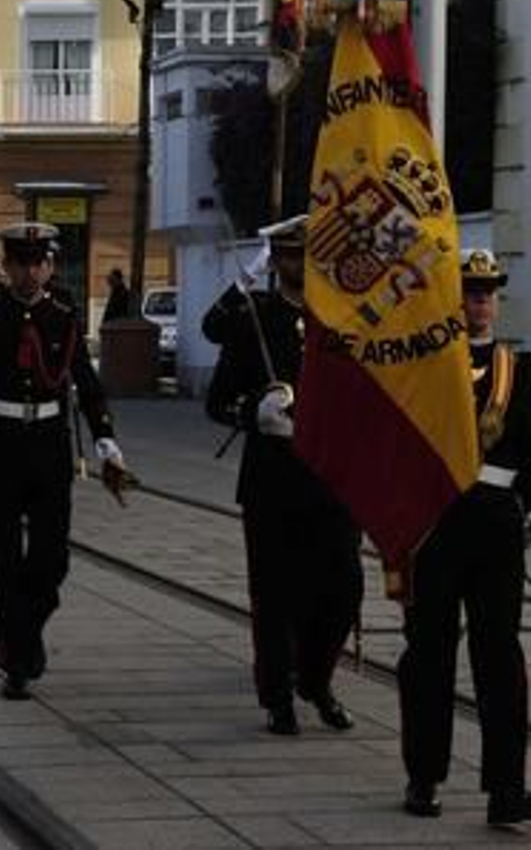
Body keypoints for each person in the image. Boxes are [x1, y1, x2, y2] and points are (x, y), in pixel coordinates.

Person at [0, 222, 131, 700]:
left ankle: (21, 629)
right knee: (2, 556)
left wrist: (104, 436)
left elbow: (85, 381)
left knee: (53, 560)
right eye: (20, 263)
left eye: (38, 262)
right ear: (7, 267)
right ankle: (18, 657)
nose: (30, 272)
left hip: (49, 443)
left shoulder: (64, 316)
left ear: (49, 266)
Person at [399, 248, 531, 828]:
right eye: (471, 292)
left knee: (500, 656)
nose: (481, 301)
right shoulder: (425, 361)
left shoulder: (517, 365)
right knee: (429, 653)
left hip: (493, 523)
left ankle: (506, 789)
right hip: (437, 521)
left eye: (488, 292)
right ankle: (423, 775)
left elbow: (527, 450)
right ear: (453, 300)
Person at [202, 215, 361, 736]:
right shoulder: (254, 317)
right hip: (272, 478)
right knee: (273, 596)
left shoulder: (343, 321)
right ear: (278, 262)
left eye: (307, 256)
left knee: (343, 589)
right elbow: (217, 399)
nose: (299, 265)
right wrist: (255, 411)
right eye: (289, 256)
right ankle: (278, 697)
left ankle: (315, 679)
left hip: (333, 475)